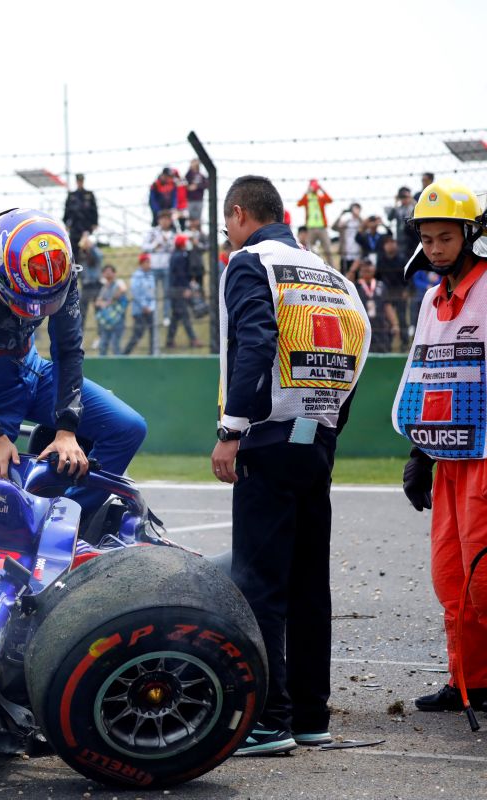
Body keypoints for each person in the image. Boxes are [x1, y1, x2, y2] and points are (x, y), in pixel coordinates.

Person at [212, 175, 371, 756]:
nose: (227, 236)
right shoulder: (334, 277)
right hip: (318, 442)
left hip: (267, 438)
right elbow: (358, 353)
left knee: (259, 585)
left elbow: (255, 341)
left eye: (227, 225)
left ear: (239, 214)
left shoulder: (250, 263)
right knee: (309, 586)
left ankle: (268, 721)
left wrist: (232, 428)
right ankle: (310, 716)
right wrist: (329, 428)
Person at [0, 207, 146, 516]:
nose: (34, 312)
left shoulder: (59, 269)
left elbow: (68, 351)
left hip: (35, 370)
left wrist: (67, 429)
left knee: (128, 428)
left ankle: (71, 518)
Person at [392, 179, 487, 715]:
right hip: (449, 456)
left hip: (486, 454)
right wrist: (420, 454)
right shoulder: (431, 298)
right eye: (427, 239)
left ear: (471, 235)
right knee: (452, 576)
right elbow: (427, 378)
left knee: (485, 576)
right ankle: (470, 682)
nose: (435, 248)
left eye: (446, 237)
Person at [166, 234, 200, 349]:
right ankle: (193, 339)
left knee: (176, 317)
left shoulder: (175, 255)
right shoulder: (180, 256)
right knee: (184, 315)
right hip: (179, 289)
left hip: (174, 289)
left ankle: (169, 341)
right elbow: (181, 274)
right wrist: (186, 288)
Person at [353, 258, 394, 353]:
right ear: (361, 270)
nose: (367, 269)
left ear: (373, 269)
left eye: (369, 266)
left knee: (383, 352)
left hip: (380, 326)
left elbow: (387, 305)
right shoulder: (355, 286)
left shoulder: (381, 286)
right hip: (363, 326)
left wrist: (394, 324)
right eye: (364, 267)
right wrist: (353, 269)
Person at [376, 236, 409, 349]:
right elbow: (378, 277)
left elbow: (407, 277)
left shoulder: (402, 259)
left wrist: (406, 290)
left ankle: (404, 343)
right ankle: (388, 343)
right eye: (388, 243)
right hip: (386, 293)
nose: (391, 245)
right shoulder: (381, 260)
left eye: (393, 242)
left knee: (402, 318)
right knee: (387, 319)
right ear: (384, 246)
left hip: (400, 292)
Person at [142, 210, 176, 320]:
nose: (164, 222)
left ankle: (166, 316)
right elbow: (144, 247)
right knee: (153, 293)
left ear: (170, 221)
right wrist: (154, 245)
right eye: (162, 219)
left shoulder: (173, 233)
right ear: (158, 220)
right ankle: (154, 316)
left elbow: (175, 248)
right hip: (154, 267)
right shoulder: (152, 233)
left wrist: (167, 243)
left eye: (167, 219)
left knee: (167, 293)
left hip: (167, 267)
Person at [123, 253, 157, 355]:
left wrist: (151, 306)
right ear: (141, 263)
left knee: (153, 333)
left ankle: (152, 354)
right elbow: (136, 292)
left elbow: (152, 293)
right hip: (140, 310)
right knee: (138, 333)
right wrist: (144, 305)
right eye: (147, 262)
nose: (149, 264)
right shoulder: (137, 276)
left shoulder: (151, 275)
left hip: (150, 308)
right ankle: (125, 354)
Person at [297, 179, 335, 264]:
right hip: (310, 228)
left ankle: (332, 268)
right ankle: (310, 264)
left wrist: (322, 189)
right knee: (309, 248)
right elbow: (299, 203)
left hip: (322, 227)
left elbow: (330, 200)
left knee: (327, 249)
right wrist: (307, 191)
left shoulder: (320, 198)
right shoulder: (308, 198)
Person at [63, 173, 99, 263]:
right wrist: (66, 223)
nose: (80, 183)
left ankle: (87, 272)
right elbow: (67, 211)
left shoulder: (89, 195)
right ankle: (76, 271)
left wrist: (95, 223)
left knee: (88, 251)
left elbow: (94, 209)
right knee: (74, 250)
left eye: (81, 181)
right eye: (79, 181)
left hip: (86, 226)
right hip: (75, 227)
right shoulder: (72, 195)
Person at [94, 264, 127, 356]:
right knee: (103, 344)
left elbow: (123, 290)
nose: (107, 273)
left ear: (114, 273)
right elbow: (97, 302)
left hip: (118, 319)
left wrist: (108, 302)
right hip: (106, 320)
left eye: (110, 271)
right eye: (105, 272)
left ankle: (119, 367)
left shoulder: (119, 283)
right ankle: (102, 366)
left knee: (115, 345)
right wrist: (106, 303)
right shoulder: (104, 287)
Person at [77, 233, 104, 325]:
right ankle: (80, 334)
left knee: (99, 311)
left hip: (96, 285)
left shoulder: (95, 254)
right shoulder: (82, 256)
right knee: (82, 312)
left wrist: (90, 245)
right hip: (85, 286)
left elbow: (99, 255)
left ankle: (101, 334)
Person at [387, 186, 419, 256]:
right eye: (402, 197)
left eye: (406, 196)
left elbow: (420, 210)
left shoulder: (413, 206)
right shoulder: (397, 209)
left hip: (412, 239)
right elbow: (389, 218)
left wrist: (412, 199)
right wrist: (395, 202)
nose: (404, 199)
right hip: (401, 239)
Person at [332, 203, 363, 276]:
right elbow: (333, 227)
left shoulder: (360, 222)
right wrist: (341, 215)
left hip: (357, 255)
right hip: (345, 254)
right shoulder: (346, 223)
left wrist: (358, 216)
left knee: (356, 275)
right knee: (344, 275)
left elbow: (365, 226)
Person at [184, 159, 208, 225]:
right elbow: (184, 182)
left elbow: (206, 184)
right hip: (190, 200)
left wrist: (197, 186)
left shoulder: (201, 175)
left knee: (198, 218)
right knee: (190, 218)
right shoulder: (189, 174)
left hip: (199, 200)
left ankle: (198, 230)